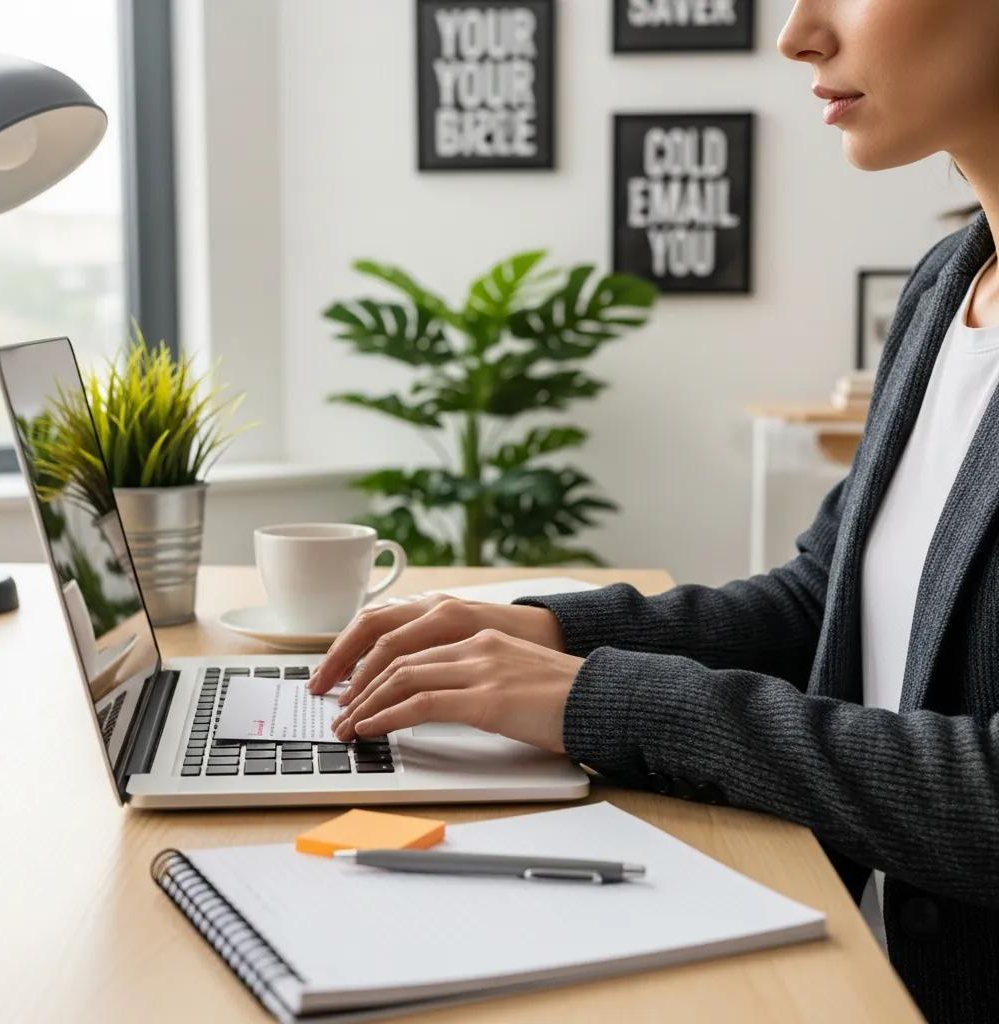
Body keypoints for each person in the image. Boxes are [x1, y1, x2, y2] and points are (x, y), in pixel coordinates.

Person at [309, 2, 999, 1020]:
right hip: (864, 964)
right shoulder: (951, 284)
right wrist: (551, 630)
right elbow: (825, 600)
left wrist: (607, 698)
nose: (797, 34)